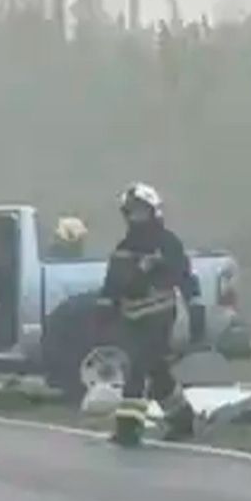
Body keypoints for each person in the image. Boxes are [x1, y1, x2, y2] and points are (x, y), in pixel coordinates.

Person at [100, 183, 204, 447]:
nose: (136, 218)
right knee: (157, 373)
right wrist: (106, 309)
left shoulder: (167, 244)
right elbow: (114, 284)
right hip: (132, 320)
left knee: (137, 370)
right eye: (131, 213)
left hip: (160, 319)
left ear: (153, 212)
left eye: (141, 212)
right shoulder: (124, 247)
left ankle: (128, 429)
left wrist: (196, 312)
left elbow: (185, 279)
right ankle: (182, 420)